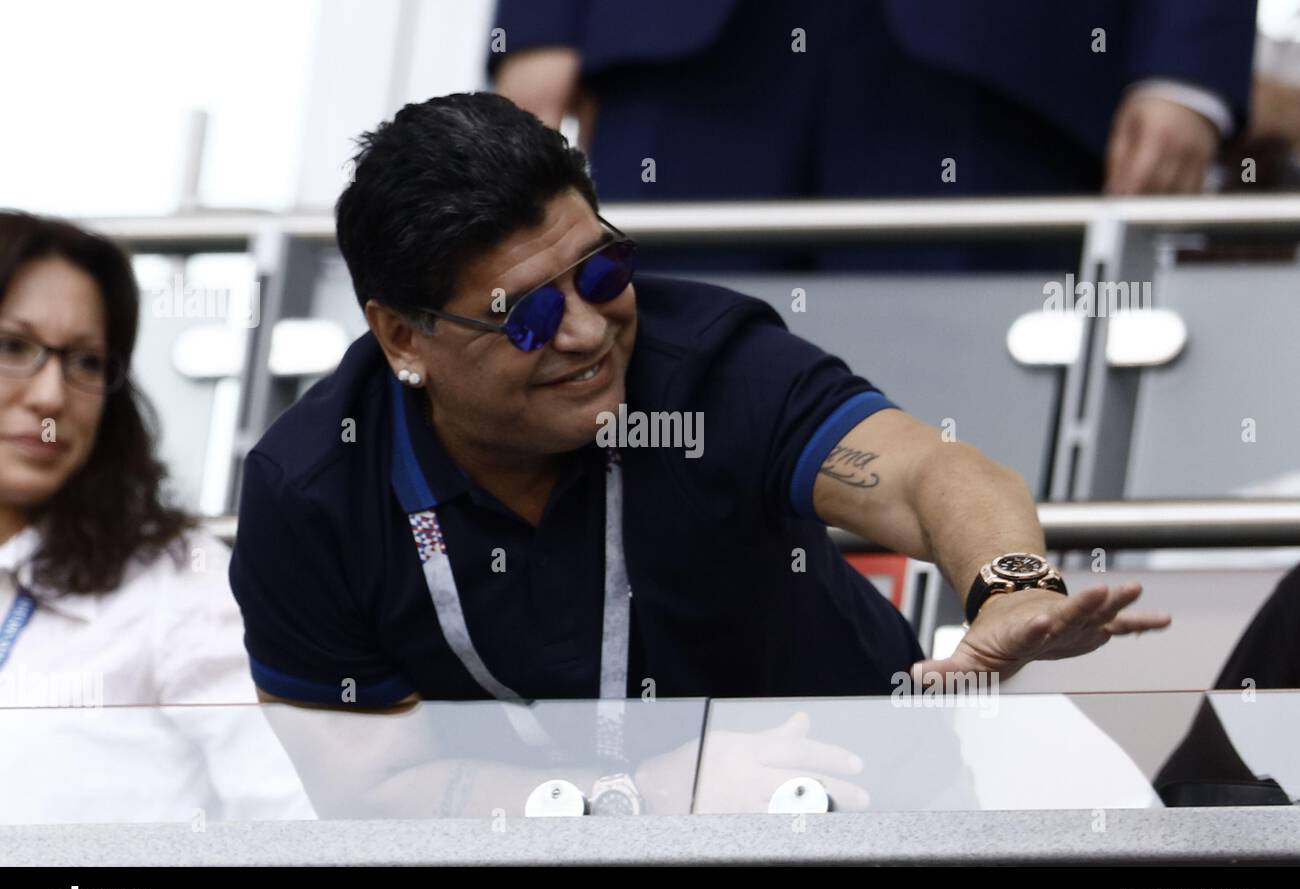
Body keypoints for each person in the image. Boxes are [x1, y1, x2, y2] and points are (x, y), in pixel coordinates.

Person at [230, 92, 1170, 711]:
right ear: (403, 337)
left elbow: (928, 472)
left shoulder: (707, 365)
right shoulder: (312, 490)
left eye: (602, 270)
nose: (589, 333)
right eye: (527, 316)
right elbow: (361, 780)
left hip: (851, 817)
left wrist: (1007, 585)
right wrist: (651, 806)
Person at [491, 0, 1257, 271]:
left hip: (1003, 59)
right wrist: (541, 20)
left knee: (963, 417)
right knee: (658, 400)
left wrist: (1187, 62)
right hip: (684, 55)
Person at [0, 210, 312, 823]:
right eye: (14, 347)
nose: (50, 396)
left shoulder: (179, 586)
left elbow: (304, 830)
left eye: (86, 362)